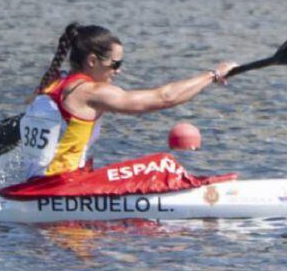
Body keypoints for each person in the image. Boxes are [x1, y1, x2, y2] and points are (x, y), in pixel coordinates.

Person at [17, 22, 237, 180]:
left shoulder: (53, 83)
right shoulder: (89, 92)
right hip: (58, 188)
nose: (119, 70)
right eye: (115, 64)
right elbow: (165, 98)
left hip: (34, 187)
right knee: (161, 166)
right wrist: (213, 75)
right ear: (92, 61)